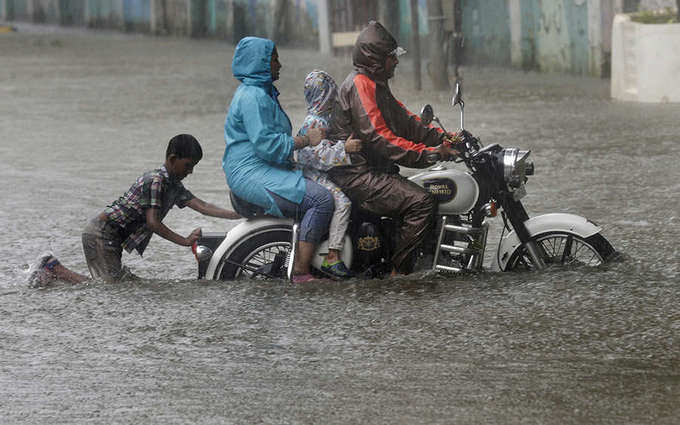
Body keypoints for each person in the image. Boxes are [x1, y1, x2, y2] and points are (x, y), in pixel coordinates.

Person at [327, 21, 464, 276]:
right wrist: (429, 153)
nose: (396, 62)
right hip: (358, 175)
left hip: (374, 171)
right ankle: (399, 275)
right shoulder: (360, 85)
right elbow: (380, 137)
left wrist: (446, 137)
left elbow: (406, 122)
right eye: (392, 57)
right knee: (422, 202)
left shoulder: (376, 84)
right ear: (376, 59)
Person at [27, 134, 241, 287]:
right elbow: (153, 223)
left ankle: (52, 272)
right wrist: (185, 241)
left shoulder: (173, 184)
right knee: (107, 289)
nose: (191, 171)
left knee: (116, 285)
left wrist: (239, 214)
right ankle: (53, 268)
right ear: (173, 159)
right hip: (101, 234)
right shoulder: (155, 181)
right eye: (187, 165)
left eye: (193, 166)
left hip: (112, 238)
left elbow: (202, 206)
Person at [222, 37, 334, 283]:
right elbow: (267, 144)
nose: (279, 65)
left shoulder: (263, 93)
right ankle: (302, 272)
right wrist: (306, 140)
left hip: (263, 167)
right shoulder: (253, 97)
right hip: (252, 173)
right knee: (321, 200)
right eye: (274, 59)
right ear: (259, 62)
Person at [296, 70, 362, 279]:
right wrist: (346, 149)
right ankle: (333, 255)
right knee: (343, 203)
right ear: (323, 96)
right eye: (330, 95)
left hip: (313, 174)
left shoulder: (318, 119)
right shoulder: (317, 122)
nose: (333, 99)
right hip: (314, 176)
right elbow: (319, 157)